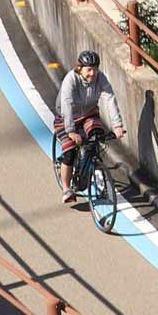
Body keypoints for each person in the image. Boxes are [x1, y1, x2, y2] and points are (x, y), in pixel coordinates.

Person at [53, 48, 124, 208]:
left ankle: (92, 165)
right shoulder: (70, 80)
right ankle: (66, 189)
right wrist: (71, 131)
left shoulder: (100, 79)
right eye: (89, 69)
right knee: (70, 152)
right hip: (66, 117)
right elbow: (67, 105)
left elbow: (109, 98)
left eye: (95, 69)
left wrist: (117, 125)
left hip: (89, 114)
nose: (92, 73)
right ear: (80, 68)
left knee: (97, 136)